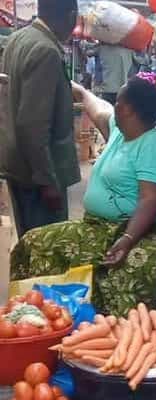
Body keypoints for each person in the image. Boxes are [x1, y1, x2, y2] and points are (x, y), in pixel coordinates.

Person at [11, 78, 156, 316]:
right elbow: (97, 107)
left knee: (129, 270)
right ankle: (42, 316)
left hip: (153, 233)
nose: (114, 105)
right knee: (36, 242)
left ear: (127, 108)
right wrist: (78, 90)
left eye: (118, 101)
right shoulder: (119, 131)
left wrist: (127, 239)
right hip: (102, 227)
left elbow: (151, 200)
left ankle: (120, 329)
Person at [0, 0, 80, 238]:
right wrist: (47, 182)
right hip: (39, 173)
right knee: (47, 245)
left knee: (29, 239)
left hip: (18, 163)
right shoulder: (46, 50)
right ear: (71, 16)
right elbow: (33, 124)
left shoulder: (17, 39)